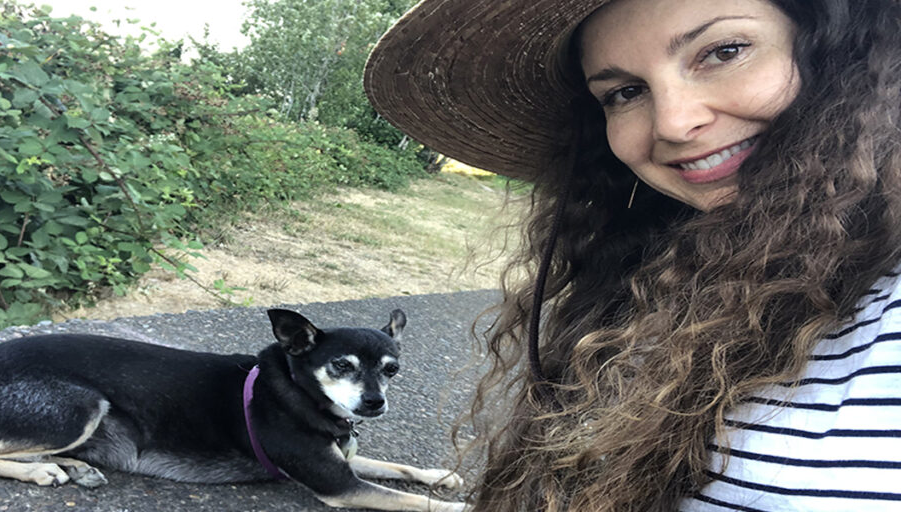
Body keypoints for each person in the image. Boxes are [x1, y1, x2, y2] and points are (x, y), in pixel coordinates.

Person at [364, 0, 901, 510]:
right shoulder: (656, 284)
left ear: (840, 51)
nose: (672, 123)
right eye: (624, 92)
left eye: (724, 51)